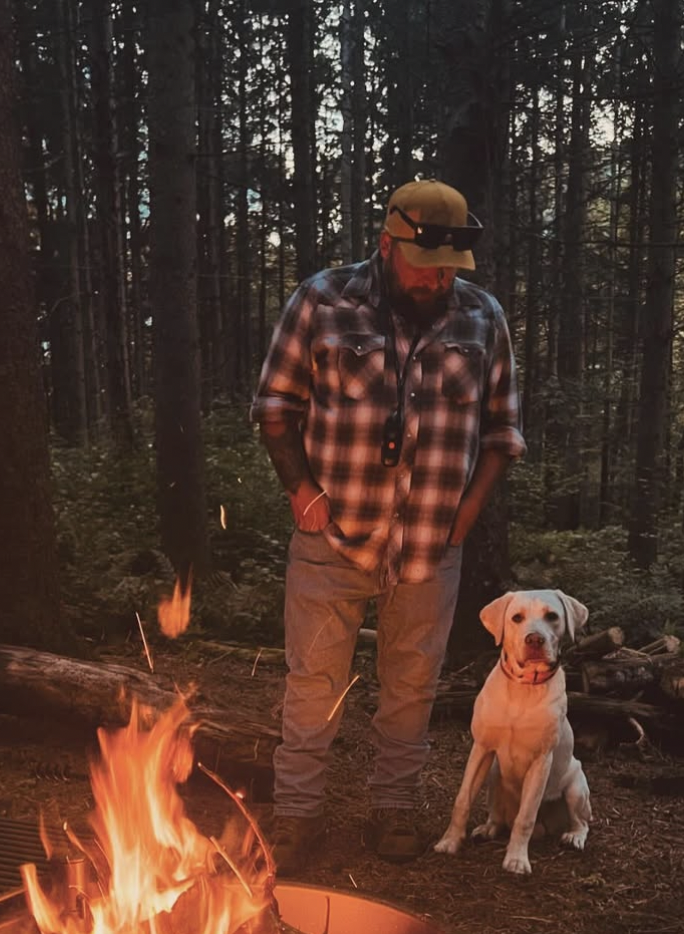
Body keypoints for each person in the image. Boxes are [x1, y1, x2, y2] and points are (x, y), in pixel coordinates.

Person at [250, 179, 525, 874]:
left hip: (432, 544)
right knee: (313, 683)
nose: (435, 278)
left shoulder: (481, 317)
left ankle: (394, 809)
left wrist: (465, 516)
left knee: (411, 685)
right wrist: (301, 494)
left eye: (447, 267)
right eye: (423, 263)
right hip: (331, 535)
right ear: (386, 244)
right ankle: (296, 816)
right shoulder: (322, 301)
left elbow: (502, 434)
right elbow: (275, 406)